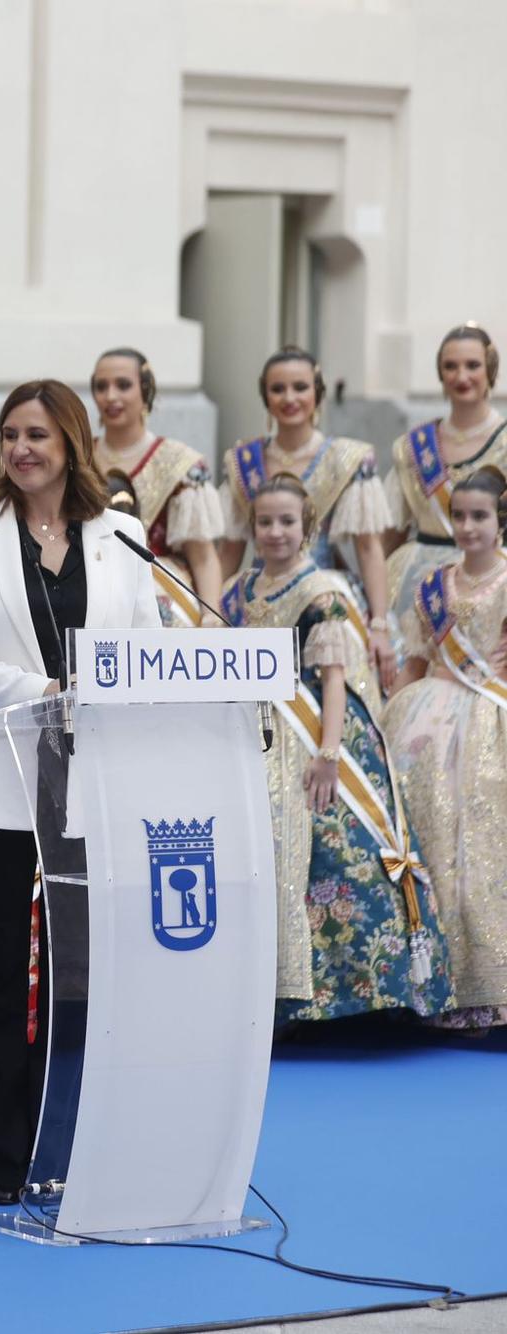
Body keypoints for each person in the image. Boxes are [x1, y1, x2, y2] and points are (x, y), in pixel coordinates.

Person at [0, 379, 161, 1204]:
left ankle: (69, 1147)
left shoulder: (123, 536)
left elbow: (149, 654)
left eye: (39, 435)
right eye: (11, 434)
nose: (22, 448)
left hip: (93, 780)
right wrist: (43, 689)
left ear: (72, 444)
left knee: (79, 971)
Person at [222, 475, 450, 1024]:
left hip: (314, 737)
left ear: (309, 527)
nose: (275, 533)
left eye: (286, 522)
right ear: (252, 528)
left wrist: (327, 754)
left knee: (325, 849)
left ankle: (336, 996)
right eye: (265, 522)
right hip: (246, 732)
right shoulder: (239, 587)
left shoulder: (319, 589)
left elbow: (333, 677)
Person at [383, 465, 507, 1029]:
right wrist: (392, 713)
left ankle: (488, 984)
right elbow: (414, 657)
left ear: (499, 520)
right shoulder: (433, 584)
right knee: (432, 844)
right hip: (429, 718)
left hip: (489, 719)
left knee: (480, 847)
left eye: (478, 516)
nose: (466, 526)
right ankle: (436, 983)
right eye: (458, 515)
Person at [218, 345, 398, 689]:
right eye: (278, 388)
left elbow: (368, 549)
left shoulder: (348, 458)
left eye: (300, 387)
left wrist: (379, 624)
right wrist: (210, 614)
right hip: (258, 595)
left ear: (317, 393)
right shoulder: (242, 460)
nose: (289, 397)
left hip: (322, 593)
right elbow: (229, 550)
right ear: (264, 396)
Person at [381, 324, 507, 660]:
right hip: (416, 584)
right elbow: (390, 533)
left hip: (490, 581)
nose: (461, 375)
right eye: (451, 366)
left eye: (472, 365)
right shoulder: (413, 448)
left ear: (490, 369)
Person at [89, 347, 224, 623]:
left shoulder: (180, 463)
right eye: (101, 386)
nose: (110, 396)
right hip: (90, 580)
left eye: (123, 385)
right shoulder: (77, 458)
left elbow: (203, 558)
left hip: (161, 591)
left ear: (146, 391)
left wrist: (212, 616)